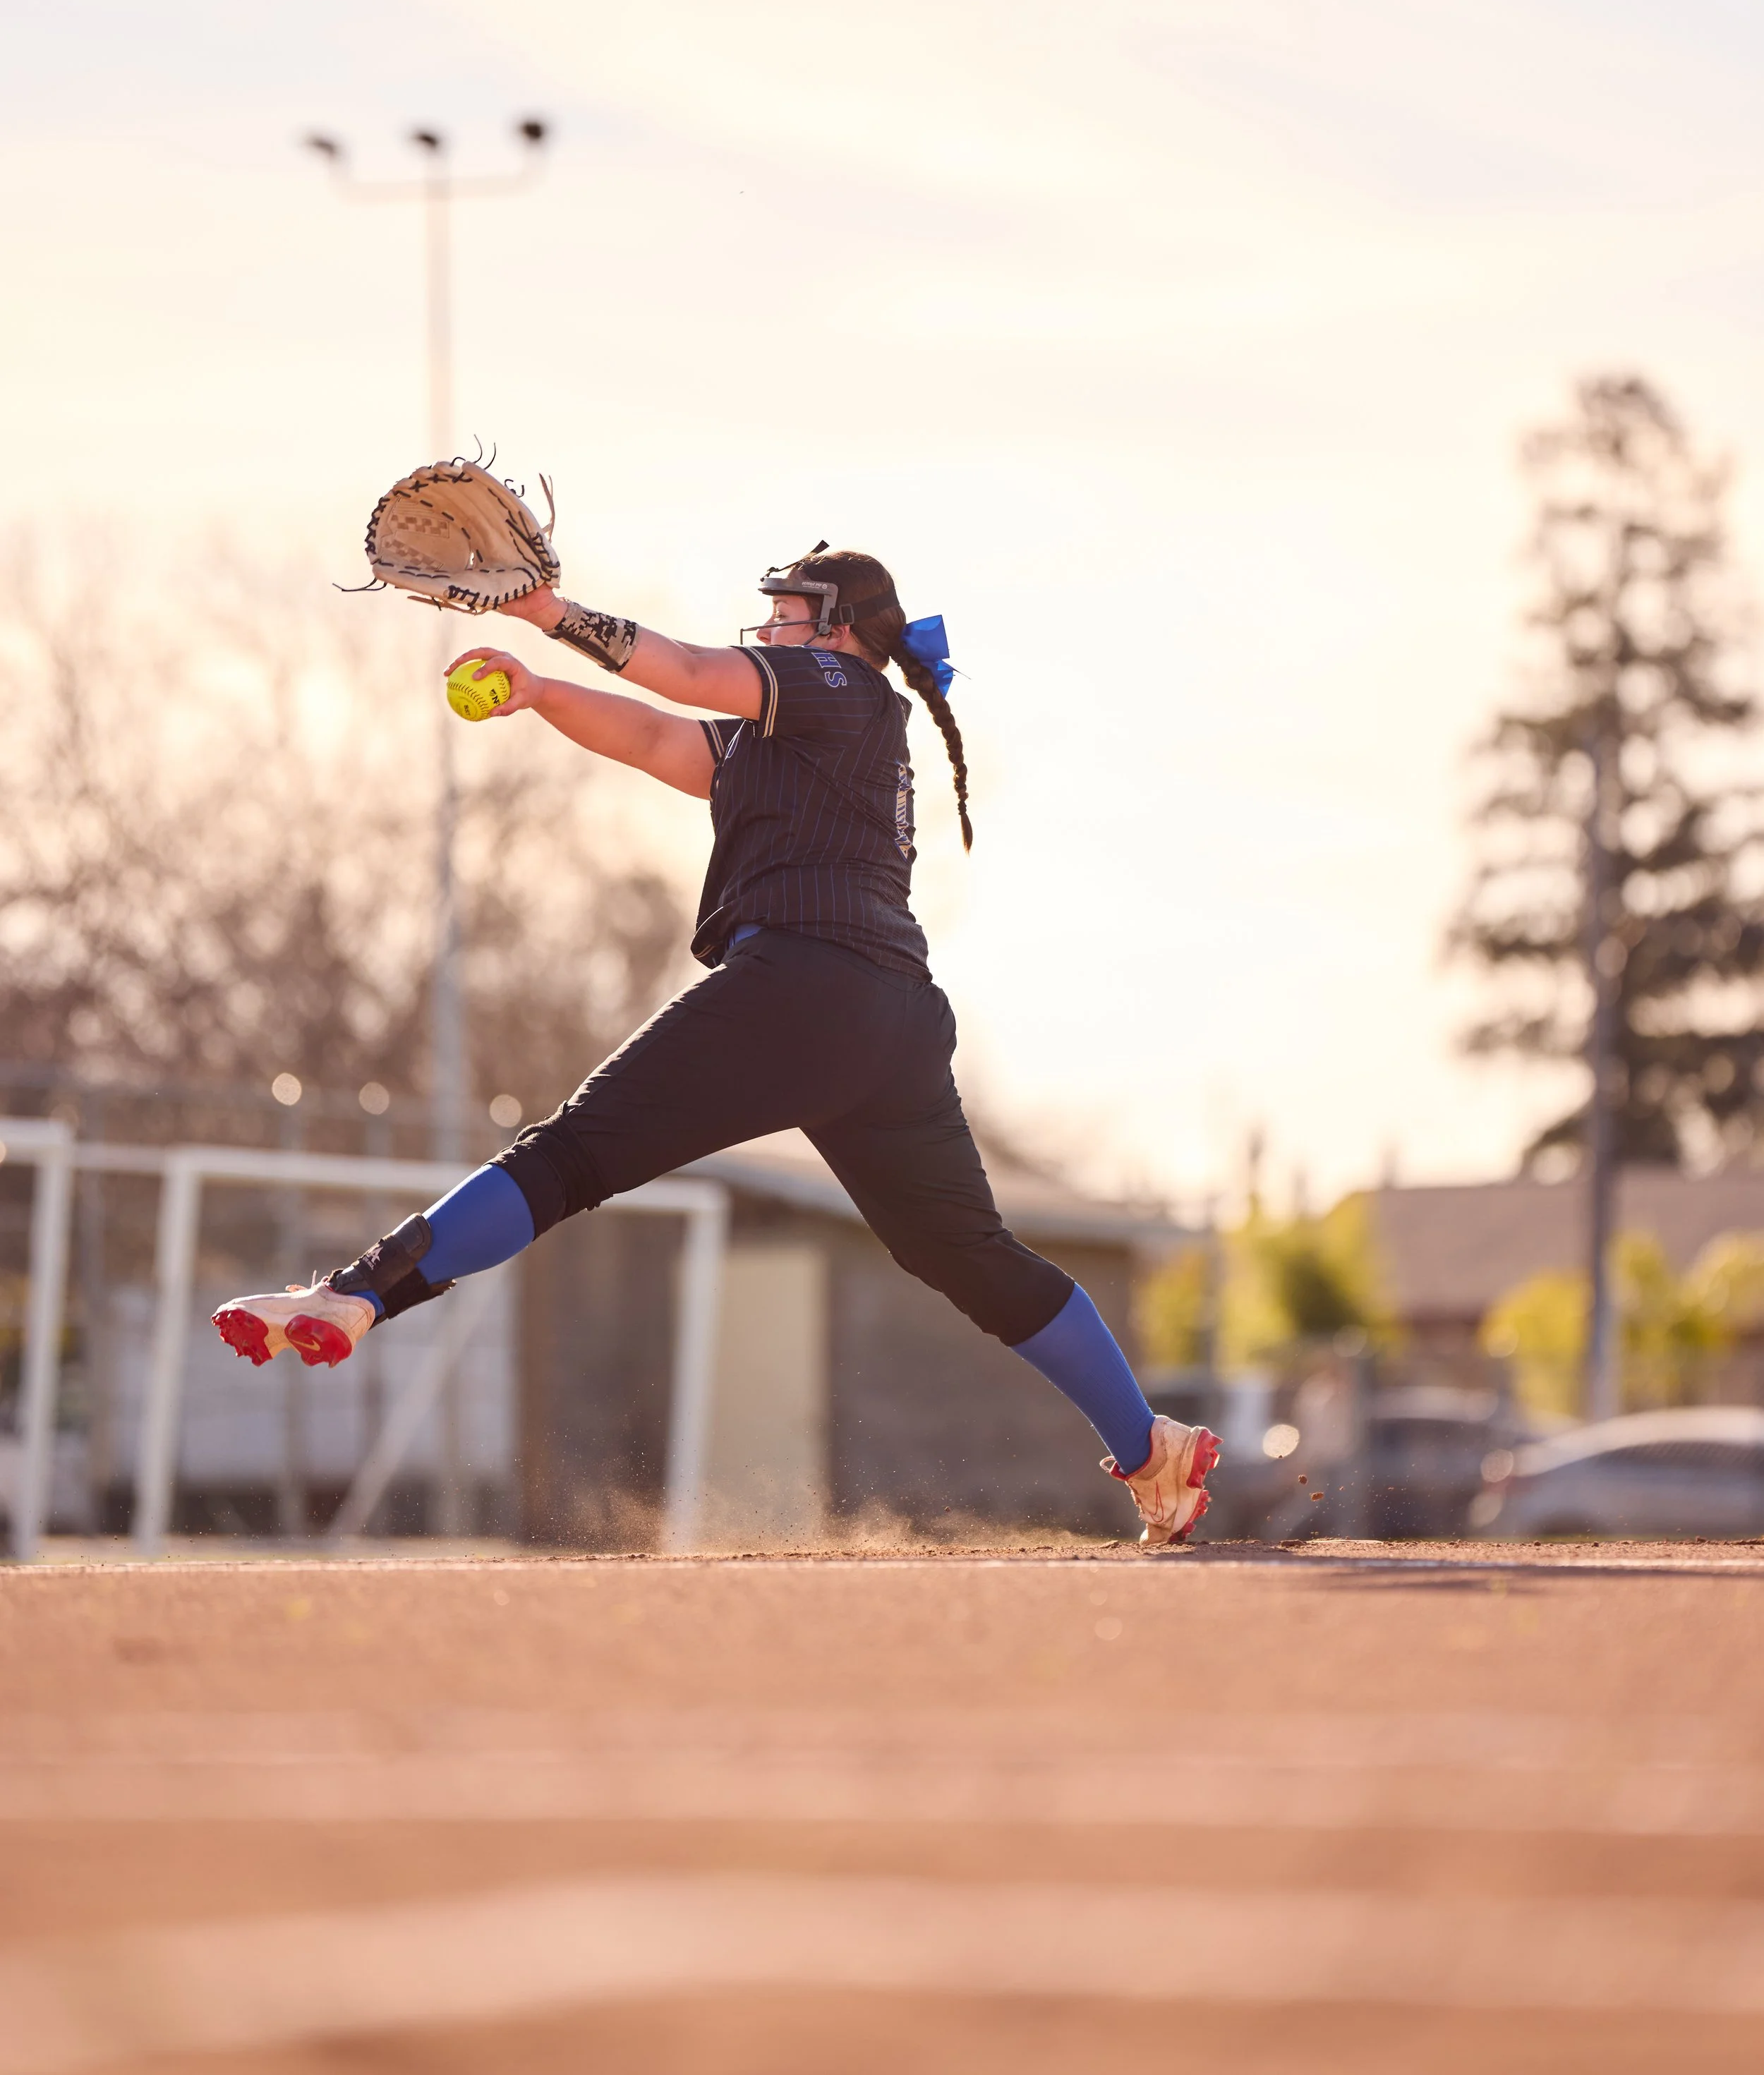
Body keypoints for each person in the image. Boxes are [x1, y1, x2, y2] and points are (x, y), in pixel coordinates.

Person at [212, 548, 1220, 1545]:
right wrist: (537, 693)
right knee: (968, 1255)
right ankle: (1152, 1451)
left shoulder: (843, 687)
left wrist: (545, 610)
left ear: (838, 631)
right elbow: (658, 736)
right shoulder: (808, 732)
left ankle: (358, 1293)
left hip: (801, 992)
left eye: (789, 613)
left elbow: (689, 675)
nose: (772, 628)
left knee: (566, 1158)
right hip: (892, 1022)